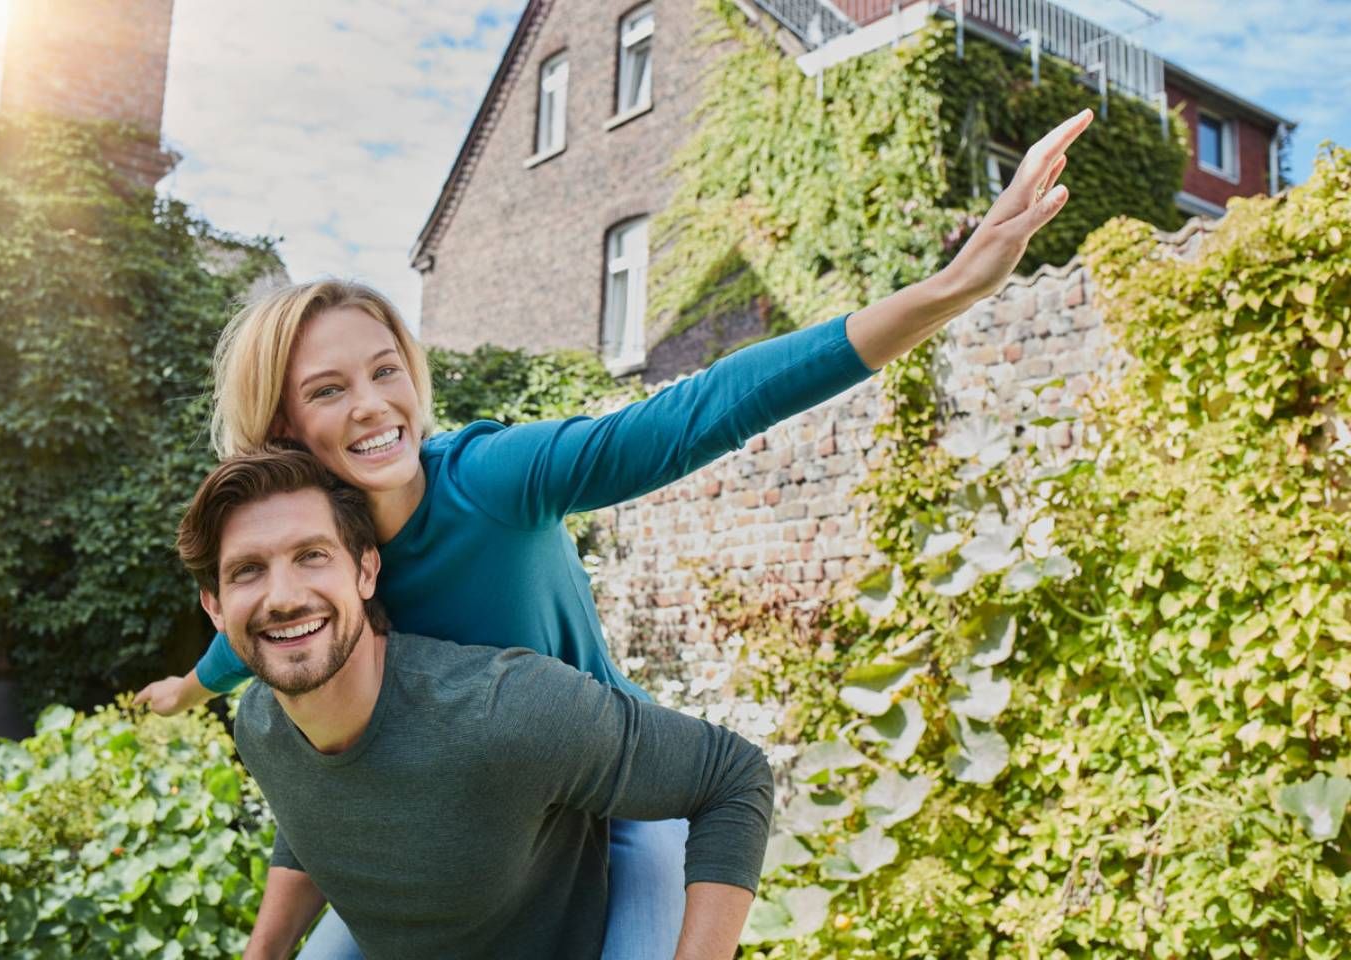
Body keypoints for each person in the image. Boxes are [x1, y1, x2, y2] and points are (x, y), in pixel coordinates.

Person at [136, 109, 1095, 958]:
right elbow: (249, 636)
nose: (376, 405)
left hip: (616, 803)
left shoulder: (493, 479)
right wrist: (186, 685)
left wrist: (947, 292)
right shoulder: (320, 561)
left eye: (388, 371)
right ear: (282, 426)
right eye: (329, 389)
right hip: (490, 827)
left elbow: (698, 412)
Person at [177, 448, 773, 959]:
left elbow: (733, 777)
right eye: (249, 571)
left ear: (365, 570)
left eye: (312, 556)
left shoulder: (502, 711)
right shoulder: (260, 724)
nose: (283, 597)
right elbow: (313, 811)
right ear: (215, 607)